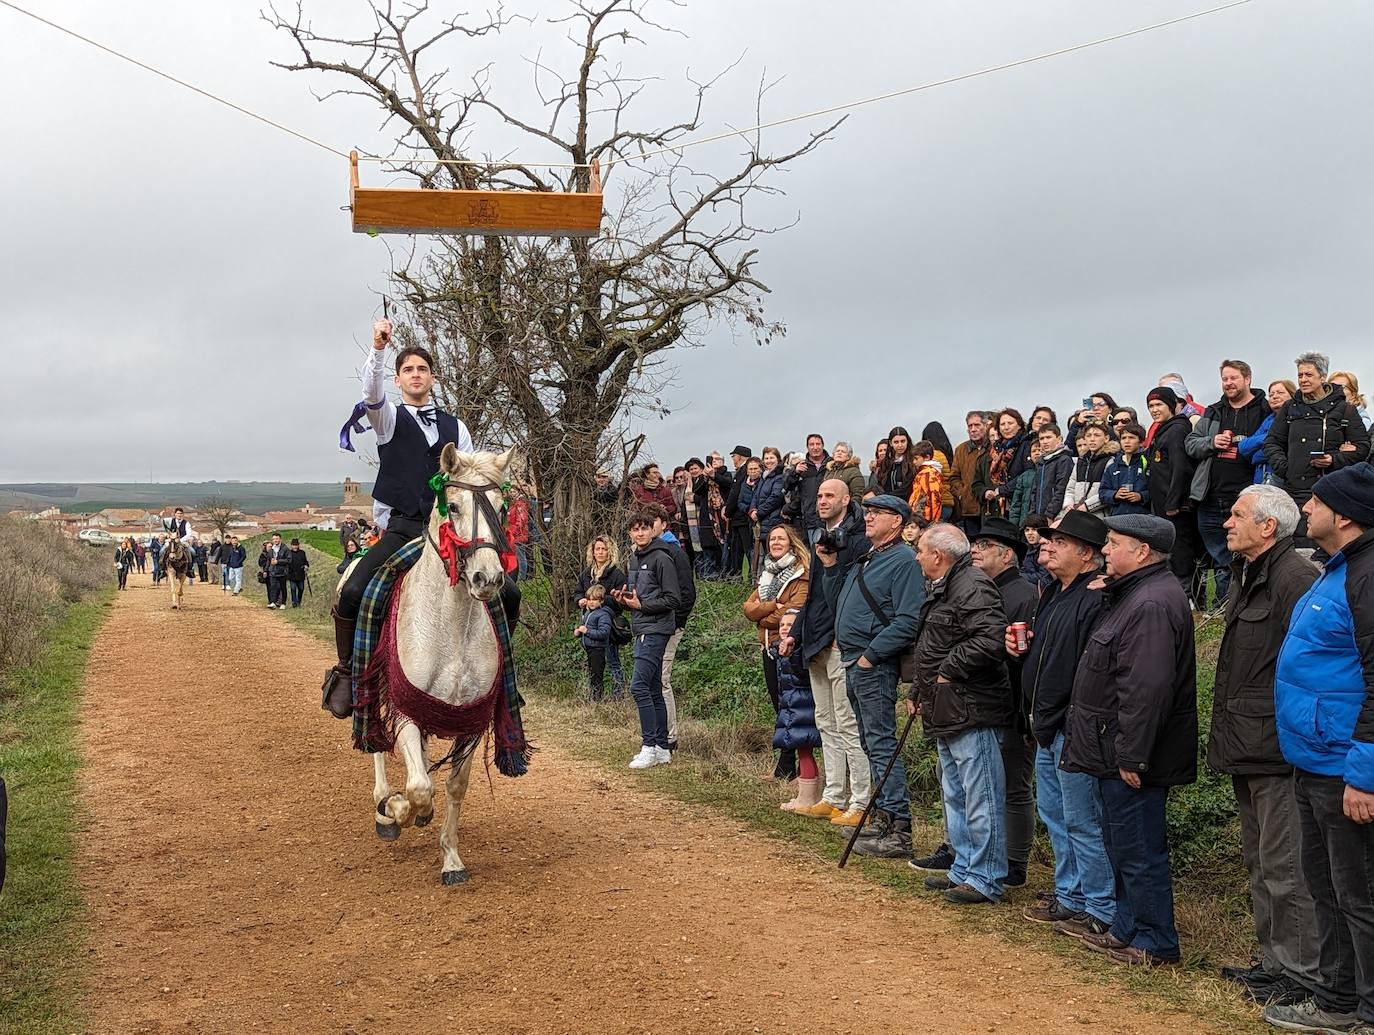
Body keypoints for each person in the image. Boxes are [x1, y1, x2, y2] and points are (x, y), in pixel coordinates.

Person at [1061, 513, 1198, 967]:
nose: (1105, 550)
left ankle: (1156, 940)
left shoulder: (1153, 602)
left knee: (1139, 849)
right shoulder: (1134, 594)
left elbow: (1147, 688)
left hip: (1130, 754)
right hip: (1114, 747)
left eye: (1114, 543)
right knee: (1122, 845)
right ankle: (1127, 927)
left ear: (1141, 552)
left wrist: (1134, 756)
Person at [1267, 463, 1374, 1033]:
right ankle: (1336, 1001)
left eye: (1314, 502)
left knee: (1358, 895)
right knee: (1329, 888)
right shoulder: (1335, 571)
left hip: (1346, 768)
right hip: (1314, 761)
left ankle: (1365, 1010)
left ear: (1346, 515)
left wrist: (1365, 772)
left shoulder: (1367, 576)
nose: (1305, 509)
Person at [328, 318, 478, 719]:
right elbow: (370, 392)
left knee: (507, 593)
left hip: (450, 533)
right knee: (353, 590)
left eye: (422, 369)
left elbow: (466, 477)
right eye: (408, 369)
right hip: (404, 528)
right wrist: (378, 347)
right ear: (398, 380)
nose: (416, 374)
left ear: (433, 377)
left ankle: (498, 681)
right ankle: (348, 673)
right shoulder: (388, 417)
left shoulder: (456, 427)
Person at [1207, 485, 1321, 1007]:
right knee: (1260, 861)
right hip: (1246, 740)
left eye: (1236, 515)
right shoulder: (1248, 573)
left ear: (1268, 526)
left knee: (1285, 866)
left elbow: (1306, 670)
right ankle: (1273, 963)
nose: (1227, 523)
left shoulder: (1296, 579)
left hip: (1277, 747)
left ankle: (1301, 974)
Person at [1007, 511, 1115, 939]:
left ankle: (1100, 906)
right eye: (1048, 539)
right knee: (1055, 815)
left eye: (1060, 541)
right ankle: (1069, 896)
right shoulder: (1052, 591)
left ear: (1087, 554)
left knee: (1083, 820)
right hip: (1047, 723)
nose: (1046, 546)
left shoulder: (1097, 597)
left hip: (1075, 727)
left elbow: (1094, 668)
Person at [908, 523, 1012, 904]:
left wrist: (948, 671)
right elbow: (932, 642)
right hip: (946, 706)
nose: (916, 556)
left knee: (980, 794)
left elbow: (990, 638)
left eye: (920, 549)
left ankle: (985, 877)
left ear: (938, 556)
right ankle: (965, 868)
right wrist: (921, 688)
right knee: (956, 794)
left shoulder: (972, 584)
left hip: (972, 706)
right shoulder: (945, 586)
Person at [821, 494, 924, 857]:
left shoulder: (904, 561)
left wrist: (870, 656)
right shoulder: (871, 557)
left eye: (878, 513)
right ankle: (883, 820)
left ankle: (898, 828)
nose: (868, 518)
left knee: (880, 744)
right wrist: (832, 567)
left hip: (872, 665)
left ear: (896, 521)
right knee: (869, 742)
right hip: (854, 660)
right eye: (869, 512)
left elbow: (908, 620)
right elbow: (839, 603)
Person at [779, 478, 873, 827]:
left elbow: (849, 598)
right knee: (826, 722)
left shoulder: (859, 541)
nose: (821, 500)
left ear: (847, 500)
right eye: (819, 495)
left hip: (840, 644)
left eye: (829, 495)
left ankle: (860, 800)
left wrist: (838, 636)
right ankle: (833, 795)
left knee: (848, 724)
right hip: (815, 641)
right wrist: (797, 635)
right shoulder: (819, 535)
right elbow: (814, 596)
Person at [969, 517, 1037, 888]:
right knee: (985, 785)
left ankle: (1015, 861)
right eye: (975, 545)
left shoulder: (1023, 594)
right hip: (985, 702)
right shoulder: (983, 589)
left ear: (1007, 554)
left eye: (985, 545)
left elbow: (1024, 660)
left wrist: (1025, 716)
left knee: (1014, 784)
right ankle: (985, 853)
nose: (976, 550)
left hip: (1012, 704)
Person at [1263, 352, 1371, 545]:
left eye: (1308, 375)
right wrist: (1286, 468)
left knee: (1328, 547)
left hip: (1331, 490)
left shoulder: (1345, 409)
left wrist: (1333, 460)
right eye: (1300, 375)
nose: (1303, 380)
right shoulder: (1289, 408)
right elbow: (1272, 442)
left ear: (1322, 377)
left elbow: (1362, 448)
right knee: (1298, 547)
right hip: (1295, 491)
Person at [1186, 359, 1270, 605]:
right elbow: (1191, 443)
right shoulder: (1213, 411)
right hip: (1211, 495)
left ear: (1248, 379)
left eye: (1233, 378)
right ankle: (1227, 604)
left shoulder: (1264, 409)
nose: (1228, 383)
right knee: (1221, 552)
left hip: (1248, 494)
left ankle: (1245, 601)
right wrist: (1212, 443)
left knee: (1248, 548)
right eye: (1224, 379)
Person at [744, 524, 813, 788]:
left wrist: (765, 616)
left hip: (787, 649)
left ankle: (801, 770)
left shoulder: (800, 575)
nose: (775, 543)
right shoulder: (767, 575)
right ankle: (786, 768)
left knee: (794, 708)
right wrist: (772, 606)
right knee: (780, 708)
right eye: (771, 539)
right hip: (767, 647)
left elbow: (792, 615)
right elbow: (748, 609)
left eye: (780, 539)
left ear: (792, 543)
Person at [615, 510, 683, 769]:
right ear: (630, 532)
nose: (640, 533)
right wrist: (625, 599)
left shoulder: (662, 557)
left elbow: (673, 599)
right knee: (653, 688)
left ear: (652, 530)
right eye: (635, 529)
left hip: (656, 629)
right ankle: (662, 748)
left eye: (644, 528)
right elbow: (638, 596)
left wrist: (642, 605)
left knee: (639, 687)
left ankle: (649, 746)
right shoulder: (634, 558)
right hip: (642, 626)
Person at [1145, 386, 1202, 604]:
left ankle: (1186, 598)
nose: (1154, 410)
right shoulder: (1162, 430)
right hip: (1161, 504)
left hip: (1174, 506)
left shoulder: (1177, 429)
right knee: (1169, 551)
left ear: (1171, 405)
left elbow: (1182, 468)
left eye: (1159, 404)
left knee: (1181, 553)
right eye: (1150, 406)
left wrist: (1175, 501)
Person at [650, 505, 697, 752]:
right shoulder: (644, 552)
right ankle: (655, 735)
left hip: (669, 626)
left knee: (661, 680)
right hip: (650, 625)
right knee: (650, 680)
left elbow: (688, 594)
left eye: (652, 522)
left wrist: (675, 623)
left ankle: (669, 737)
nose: (646, 529)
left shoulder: (674, 552)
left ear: (663, 524)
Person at [769, 609, 822, 811]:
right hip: (794, 709)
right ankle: (807, 795)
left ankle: (807, 797)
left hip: (802, 710)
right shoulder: (780, 653)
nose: (784, 629)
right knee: (804, 751)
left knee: (805, 752)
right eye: (782, 625)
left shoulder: (799, 653)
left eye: (790, 625)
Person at [576, 535, 629, 697]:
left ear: (610, 551)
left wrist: (600, 600)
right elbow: (577, 592)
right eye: (597, 549)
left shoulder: (617, 575)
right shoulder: (586, 574)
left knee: (612, 660)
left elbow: (622, 601)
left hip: (608, 622)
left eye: (604, 549)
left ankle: (618, 694)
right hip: (589, 620)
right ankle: (595, 693)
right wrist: (581, 600)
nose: (600, 552)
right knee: (594, 662)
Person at [1238, 380, 1297, 487]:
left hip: (1283, 481)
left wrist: (1256, 455)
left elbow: (1287, 450)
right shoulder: (1268, 420)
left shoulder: (1297, 420)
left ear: (1292, 395)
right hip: (1261, 481)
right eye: (1271, 394)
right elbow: (1243, 447)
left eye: (1280, 393)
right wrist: (1270, 438)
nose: (1274, 397)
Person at [1060, 420, 1117, 517]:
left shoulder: (1111, 461)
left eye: (1097, 435)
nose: (1092, 439)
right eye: (1088, 435)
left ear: (1106, 438)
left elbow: (1110, 492)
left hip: (1099, 516)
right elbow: (1070, 489)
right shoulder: (1080, 461)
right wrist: (1068, 505)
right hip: (1077, 514)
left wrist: (1087, 506)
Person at [950, 411, 992, 537]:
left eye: (977, 425)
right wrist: (962, 493)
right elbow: (954, 477)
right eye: (970, 426)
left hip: (990, 507)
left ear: (986, 426)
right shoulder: (960, 449)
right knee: (973, 546)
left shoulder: (994, 447)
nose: (973, 429)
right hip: (969, 509)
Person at [1099, 422, 1151, 516]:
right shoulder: (1112, 467)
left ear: (1141, 442)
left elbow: (1157, 491)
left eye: (1131, 438)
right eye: (1123, 438)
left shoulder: (1147, 464)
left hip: (1142, 517)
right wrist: (1115, 495)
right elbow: (1102, 492)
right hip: (1118, 517)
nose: (1127, 441)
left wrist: (1141, 496)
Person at [575, 584, 614, 702]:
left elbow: (604, 633)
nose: (591, 602)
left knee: (597, 675)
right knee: (592, 674)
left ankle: (597, 700)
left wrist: (587, 631)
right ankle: (592, 697)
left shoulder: (603, 614)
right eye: (589, 599)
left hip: (598, 649)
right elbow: (586, 629)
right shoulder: (588, 613)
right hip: (589, 648)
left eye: (595, 600)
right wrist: (579, 632)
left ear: (601, 601)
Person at [1026, 423, 1073, 522]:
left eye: (1048, 437)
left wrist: (1050, 514)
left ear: (1059, 439)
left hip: (1055, 516)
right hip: (1038, 516)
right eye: (1042, 439)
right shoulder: (1040, 462)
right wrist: (1032, 514)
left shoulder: (1064, 460)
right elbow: (1034, 491)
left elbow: (1061, 489)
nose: (1045, 442)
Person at [785, 434, 831, 535]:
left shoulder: (832, 464)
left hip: (830, 517)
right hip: (809, 518)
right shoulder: (802, 466)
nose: (815, 447)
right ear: (807, 447)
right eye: (812, 444)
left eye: (818, 444)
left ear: (823, 445)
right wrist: (795, 473)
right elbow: (787, 487)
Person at [723, 445, 754, 579]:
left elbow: (735, 495)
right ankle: (739, 577)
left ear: (739, 456)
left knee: (745, 550)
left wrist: (727, 512)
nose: (733, 459)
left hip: (741, 518)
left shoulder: (743, 471)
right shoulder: (742, 471)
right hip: (739, 518)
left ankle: (748, 577)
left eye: (734, 456)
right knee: (738, 550)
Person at [873, 426, 917, 503]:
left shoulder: (913, 461)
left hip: (906, 504)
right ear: (891, 443)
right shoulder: (887, 462)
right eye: (896, 442)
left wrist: (886, 496)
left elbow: (907, 489)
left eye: (903, 441)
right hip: (888, 504)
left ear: (907, 441)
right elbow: (880, 484)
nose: (900, 445)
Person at [907, 439, 944, 527]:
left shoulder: (927, 473)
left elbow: (933, 497)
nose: (914, 462)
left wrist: (931, 521)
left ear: (927, 457)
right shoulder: (927, 472)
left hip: (924, 517)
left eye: (916, 458)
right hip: (922, 515)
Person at [752, 448, 788, 535]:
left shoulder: (780, 476)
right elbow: (756, 495)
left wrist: (759, 513)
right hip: (763, 521)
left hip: (774, 520)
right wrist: (752, 510)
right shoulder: (764, 477)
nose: (769, 461)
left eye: (772, 458)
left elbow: (776, 497)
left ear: (778, 459)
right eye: (766, 458)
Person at [822, 441, 867, 507]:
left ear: (848, 456)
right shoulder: (829, 471)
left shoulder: (854, 472)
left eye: (843, 452)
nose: (839, 453)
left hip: (844, 510)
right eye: (837, 451)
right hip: (828, 509)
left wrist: (850, 511)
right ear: (833, 455)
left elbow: (858, 495)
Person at [265, 533, 291, 609]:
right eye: (273, 539)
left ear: (280, 539)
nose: (275, 540)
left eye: (276, 539)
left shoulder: (285, 549)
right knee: (272, 587)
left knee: (283, 588)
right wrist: (266, 570)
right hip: (272, 571)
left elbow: (289, 560)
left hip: (282, 572)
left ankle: (283, 603)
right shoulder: (271, 549)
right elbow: (268, 560)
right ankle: (273, 602)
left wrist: (278, 561)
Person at [287, 537, 310, 608]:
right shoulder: (288, 553)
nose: (295, 546)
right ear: (291, 545)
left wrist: (306, 566)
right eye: (294, 545)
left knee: (301, 589)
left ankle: (298, 602)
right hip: (292, 574)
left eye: (296, 545)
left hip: (301, 574)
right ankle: (294, 602)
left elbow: (306, 561)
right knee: (293, 589)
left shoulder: (302, 553)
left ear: (298, 545)